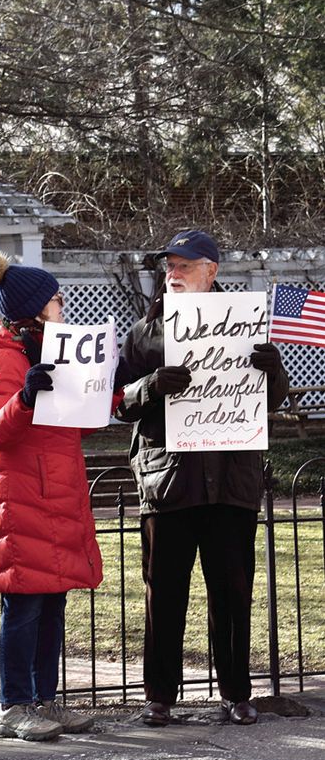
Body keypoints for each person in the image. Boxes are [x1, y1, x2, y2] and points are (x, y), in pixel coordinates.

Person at [115, 229, 288, 728]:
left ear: (211, 270)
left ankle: (236, 693)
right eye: (168, 265)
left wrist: (272, 369)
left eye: (184, 265)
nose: (172, 273)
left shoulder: (247, 326)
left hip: (231, 485)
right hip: (169, 482)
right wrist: (148, 387)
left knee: (232, 595)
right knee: (164, 595)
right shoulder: (143, 333)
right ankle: (159, 698)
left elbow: (271, 400)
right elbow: (118, 403)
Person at [0, 251, 109, 742]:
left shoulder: (56, 346)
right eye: (55, 297)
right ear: (33, 308)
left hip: (58, 490)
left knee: (52, 602)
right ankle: (12, 705)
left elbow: (83, 423)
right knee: (24, 605)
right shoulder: (1, 354)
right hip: (19, 496)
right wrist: (25, 398)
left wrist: (113, 393)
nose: (63, 301)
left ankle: (44, 701)